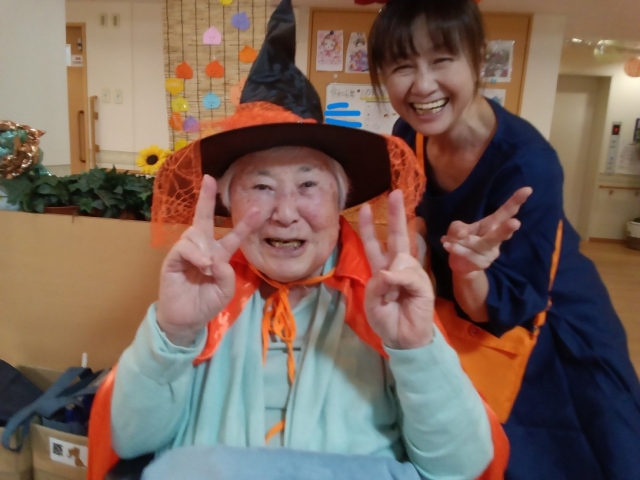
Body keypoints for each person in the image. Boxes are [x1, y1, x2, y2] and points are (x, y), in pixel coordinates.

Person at [86, 1, 509, 479]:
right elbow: (131, 441)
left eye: (308, 185)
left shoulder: (386, 295)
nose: (285, 213)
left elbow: (461, 466)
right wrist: (173, 333)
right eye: (261, 187)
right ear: (228, 204)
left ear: (340, 200)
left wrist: (415, 349)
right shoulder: (202, 290)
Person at [368, 1, 640, 479]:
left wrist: (467, 271)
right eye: (402, 66)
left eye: (442, 60)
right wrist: (415, 242)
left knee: (563, 454)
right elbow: (415, 212)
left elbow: (500, 308)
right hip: (458, 309)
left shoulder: (528, 163)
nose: (423, 85)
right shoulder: (408, 132)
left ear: (478, 58)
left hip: (551, 325)